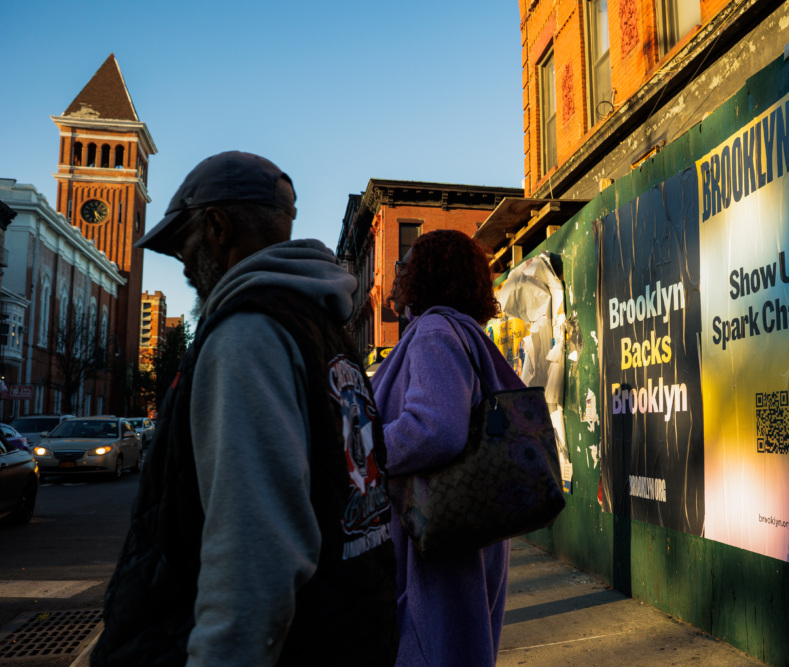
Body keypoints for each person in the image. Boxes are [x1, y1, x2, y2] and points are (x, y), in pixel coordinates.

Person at [92, 151, 398, 666]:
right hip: (345, 635)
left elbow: (253, 558)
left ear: (217, 227)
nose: (186, 268)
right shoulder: (323, 327)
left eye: (185, 247)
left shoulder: (246, 335)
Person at [372, 229, 525, 666]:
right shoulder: (461, 332)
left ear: (428, 275)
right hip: (458, 527)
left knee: (433, 645)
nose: (396, 276)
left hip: (436, 536)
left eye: (405, 266)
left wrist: (364, 451)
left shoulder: (434, 332)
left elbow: (436, 428)